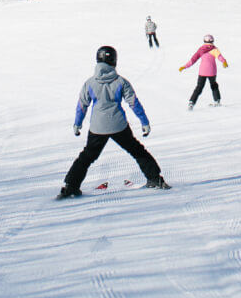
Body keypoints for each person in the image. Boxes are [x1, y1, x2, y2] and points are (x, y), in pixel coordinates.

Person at [59, 44, 169, 199]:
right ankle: (155, 178)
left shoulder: (90, 83)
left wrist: (78, 124)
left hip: (98, 127)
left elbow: (82, 105)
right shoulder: (121, 81)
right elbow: (133, 103)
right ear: (114, 61)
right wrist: (144, 122)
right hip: (119, 125)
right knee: (137, 150)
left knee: (87, 156)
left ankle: (70, 186)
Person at [179, 34, 228, 110]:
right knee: (214, 85)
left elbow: (193, 59)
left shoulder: (201, 49)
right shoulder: (214, 49)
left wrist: (185, 66)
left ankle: (191, 102)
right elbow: (220, 57)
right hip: (212, 71)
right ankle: (217, 101)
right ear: (212, 41)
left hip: (202, 72)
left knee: (199, 87)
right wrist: (224, 62)